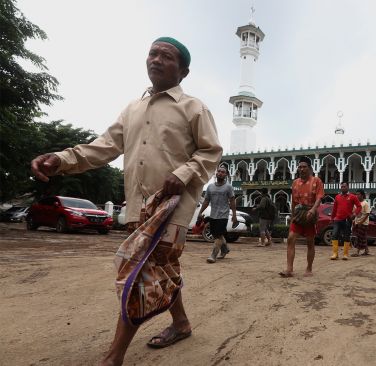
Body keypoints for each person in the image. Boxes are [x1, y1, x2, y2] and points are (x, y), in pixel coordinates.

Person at [30, 37, 222, 366]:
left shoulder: (194, 108)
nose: (157, 60)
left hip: (171, 209)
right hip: (138, 208)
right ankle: (181, 323)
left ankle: (113, 357)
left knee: (139, 274)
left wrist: (184, 172)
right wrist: (61, 159)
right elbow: (102, 147)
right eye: (153, 53)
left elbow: (211, 152)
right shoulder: (132, 110)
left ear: (184, 71)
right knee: (162, 270)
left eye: (167, 56)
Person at [279, 157, 324, 277]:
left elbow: (319, 198)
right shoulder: (295, 183)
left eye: (304, 167)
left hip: (310, 215)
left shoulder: (317, 181)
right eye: (300, 167)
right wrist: (292, 216)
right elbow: (294, 202)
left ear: (309, 168)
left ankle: (309, 268)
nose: (302, 169)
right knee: (291, 238)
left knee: (310, 242)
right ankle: (289, 269)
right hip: (298, 215)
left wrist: (313, 210)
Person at [199, 167, 238, 262]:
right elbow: (206, 201)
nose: (220, 173)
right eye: (219, 171)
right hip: (213, 215)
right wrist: (200, 212)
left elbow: (232, 201)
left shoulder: (228, 187)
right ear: (216, 174)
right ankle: (225, 249)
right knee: (216, 235)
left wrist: (234, 215)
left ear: (226, 175)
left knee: (218, 235)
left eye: (223, 172)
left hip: (223, 215)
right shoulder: (210, 187)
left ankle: (213, 255)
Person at [330, 182, 362, 260]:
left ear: (348, 187)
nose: (343, 188)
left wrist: (354, 214)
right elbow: (334, 209)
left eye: (344, 186)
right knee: (334, 235)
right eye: (342, 187)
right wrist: (332, 218)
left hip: (347, 219)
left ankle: (345, 254)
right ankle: (335, 254)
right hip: (337, 219)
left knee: (346, 236)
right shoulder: (337, 197)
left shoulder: (352, 197)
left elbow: (359, 206)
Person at [351, 189, 371, 257]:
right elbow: (355, 213)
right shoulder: (356, 204)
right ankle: (366, 250)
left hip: (364, 223)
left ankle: (357, 252)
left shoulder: (365, 203)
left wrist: (361, 222)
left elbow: (367, 214)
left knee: (359, 237)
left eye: (358, 194)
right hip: (357, 222)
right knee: (363, 237)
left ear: (362, 195)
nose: (357, 196)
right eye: (356, 194)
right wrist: (354, 221)